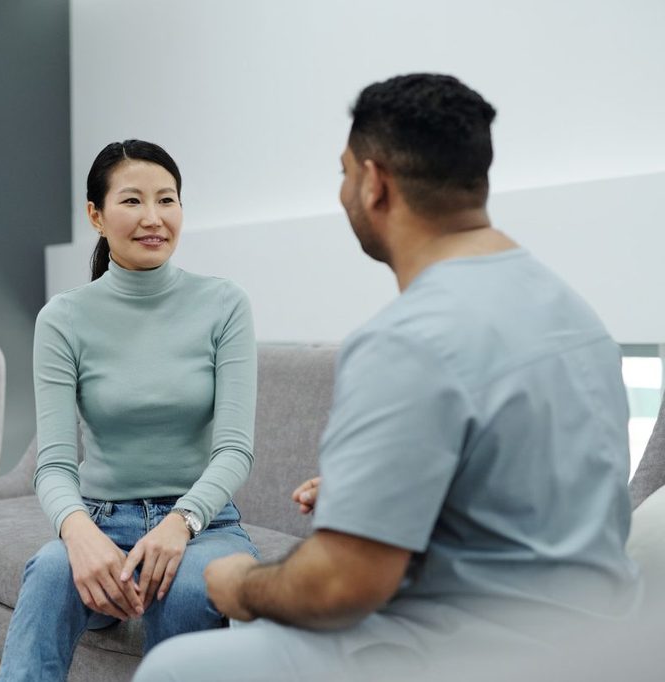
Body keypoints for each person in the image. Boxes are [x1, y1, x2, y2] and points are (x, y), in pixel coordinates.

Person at [133, 74, 641, 681]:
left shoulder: (406, 339)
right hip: (600, 644)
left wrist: (239, 584)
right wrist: (375, 486)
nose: (344, 190)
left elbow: (339, 585)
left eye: (344, 173)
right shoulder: (578, 316)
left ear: (375, 182)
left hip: (469, 655)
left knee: (174, 668)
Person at [0, 140, 259, 681]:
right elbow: (55, 463)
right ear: (96, 215)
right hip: (101, 521)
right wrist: (76, 533)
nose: (153, 218)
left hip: (203, 525)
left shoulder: (224, 304)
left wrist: (181, 523)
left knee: (187, 587)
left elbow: (235, 450)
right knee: (49, 571)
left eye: (167, 200)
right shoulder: (64, 318)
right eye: (133, 201)